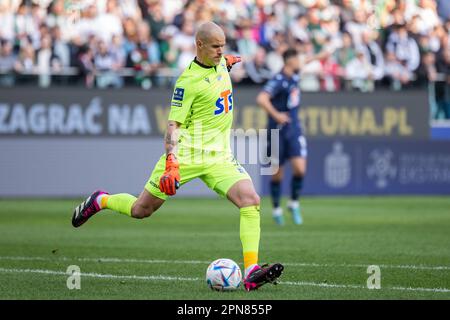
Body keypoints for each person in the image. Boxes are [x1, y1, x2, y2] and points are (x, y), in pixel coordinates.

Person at [72, 21, 283, 291]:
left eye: (223, 46)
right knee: (141, 210)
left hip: (219, 156)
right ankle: (101, 200)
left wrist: (228, 61)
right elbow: (173, 126)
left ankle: (252, 271)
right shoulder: (188, 81)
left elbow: (222, 65)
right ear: (200, 45)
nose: (221, 51)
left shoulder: (220, 63)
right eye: (216, 46)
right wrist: (172, 162)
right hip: (186, 154)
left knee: (251, 200)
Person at [256, 48, 307, 226]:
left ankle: (293, 203)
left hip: (294, 128)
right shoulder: (278, 80)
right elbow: (262, 98)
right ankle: (277, 209)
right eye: (298, 58)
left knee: (300, 169)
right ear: (289, 60)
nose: (301, 61)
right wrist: (276, 114)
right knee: (277, 174)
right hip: (276, 130)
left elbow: (309, 60)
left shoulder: (295, 76)